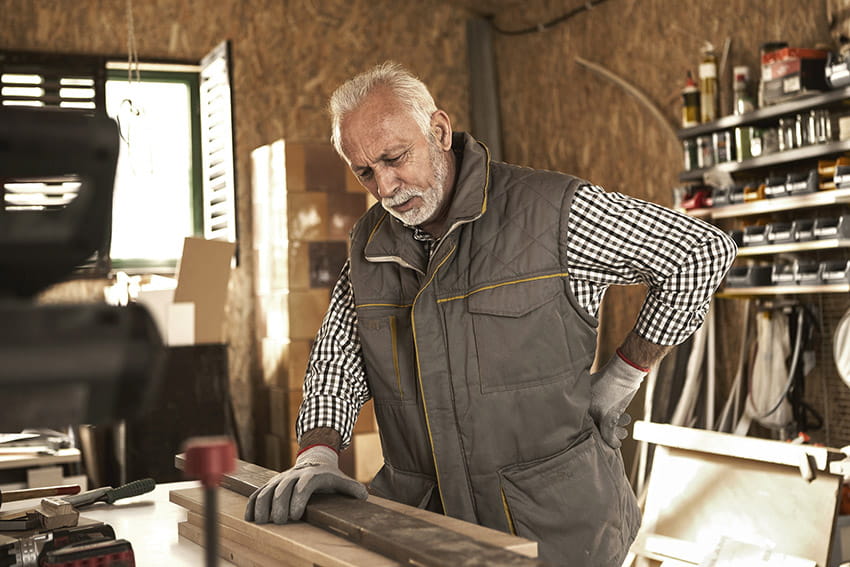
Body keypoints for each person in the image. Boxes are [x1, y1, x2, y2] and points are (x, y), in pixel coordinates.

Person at [245, 61, 737, 566]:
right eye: (365, 171)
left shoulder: (550, 213)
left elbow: (700, 253)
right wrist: (318, 454)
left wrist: (621, 379)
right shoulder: (368, 247)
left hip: (559, 535)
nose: (386, 186)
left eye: (395, 158)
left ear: (438, 130)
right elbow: (336, 362)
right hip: (430, 533)